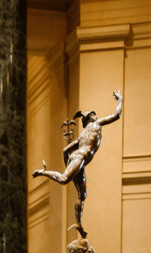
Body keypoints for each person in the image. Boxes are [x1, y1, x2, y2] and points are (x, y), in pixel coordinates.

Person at [32, 90, 122, 237]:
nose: (96, 115)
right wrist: (120, 100)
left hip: (78, 160)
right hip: (79, 159)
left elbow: (65, 150)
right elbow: (116, 115)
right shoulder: (96, 124)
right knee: (63, 179)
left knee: (82, 194)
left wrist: (69, 161)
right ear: (89, 119)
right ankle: (43, 172)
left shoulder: (81, 136)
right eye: (93, 114)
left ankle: (79, 224)